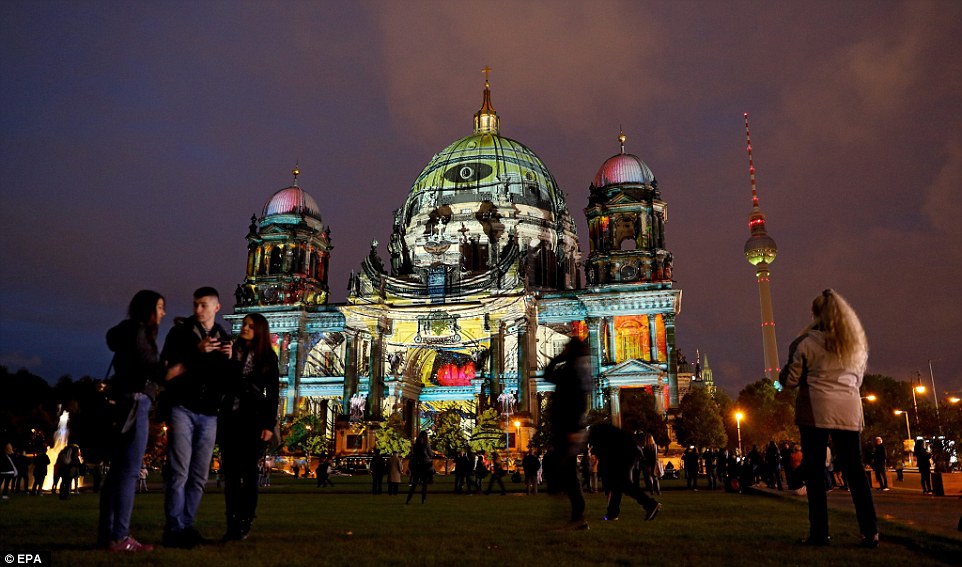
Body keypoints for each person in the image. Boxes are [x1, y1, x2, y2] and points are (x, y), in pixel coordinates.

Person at [779, 289, 879, 548]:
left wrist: (784, 376)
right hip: (850, 411)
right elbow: (858, 380)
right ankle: (870, 532)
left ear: (816, 314)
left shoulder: (805, 342)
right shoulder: (856, 346)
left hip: (816, 410)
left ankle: (820, 533)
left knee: (813, 473)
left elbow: (789, 380)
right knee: (855, 472)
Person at [161, 287, 233, 549]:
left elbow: (227, 381)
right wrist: (197, 351)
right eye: (195, 305)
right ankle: (173, 528)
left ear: (216, 307)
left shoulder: (223, 337)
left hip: (209, 412)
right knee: (179, 472)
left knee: (200, 476)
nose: (198, 310)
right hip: (183, 407)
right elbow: (167, 370)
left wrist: (230, 359)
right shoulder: (179, 333)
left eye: (203, 305)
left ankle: (187, 526)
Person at [98, 289, 168, 552]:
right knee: (129, 473)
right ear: (148, 310)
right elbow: (153, 369)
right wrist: (176, 368)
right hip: (136, 403)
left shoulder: (124, 332)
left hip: (123, 402)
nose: (163, 313)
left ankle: (107, 535)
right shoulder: (140, 334)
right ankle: (121, 536)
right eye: (160, 307)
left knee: (116, 474)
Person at [219, 313, 280, 541]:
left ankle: (246, 518)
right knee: (231, 475)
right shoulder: (231, 352)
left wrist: (269, 424)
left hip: (252, 420)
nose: (245, 328)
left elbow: (272, 393)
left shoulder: (267, 358)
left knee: (249, 473)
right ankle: (232, 524)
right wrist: (227, 360)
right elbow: (223, 383)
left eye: (250, 326)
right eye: (244, 324)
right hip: (229, 419)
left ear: (259, 331)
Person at [544, 336, 591, 530]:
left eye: (565, 348)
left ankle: (577, 515)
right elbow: (547, 376)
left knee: (563, 470)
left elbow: (580, 403)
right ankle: (576, 516)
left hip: (568, 428)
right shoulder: (570, 370)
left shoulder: (576, 372)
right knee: (565, 471)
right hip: (564, 427)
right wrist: (558, 359)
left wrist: (574, 429)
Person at [588, 423, 661, 522]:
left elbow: (603, 454)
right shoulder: (599, 429)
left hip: (624, 453)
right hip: (628, 451)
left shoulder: (595, 434)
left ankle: (650, 504)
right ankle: (612, 513)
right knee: (617, 485)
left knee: (624, 484)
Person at [406, 430, 435, 504]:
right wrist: (431, 454)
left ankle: (408, 499)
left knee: (415, 483)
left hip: (417, 465)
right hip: (425, 465)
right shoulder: (426, 445)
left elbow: (414, 454)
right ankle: (423, 499)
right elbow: (430, 454)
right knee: (424, 484)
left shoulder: (416, 445)